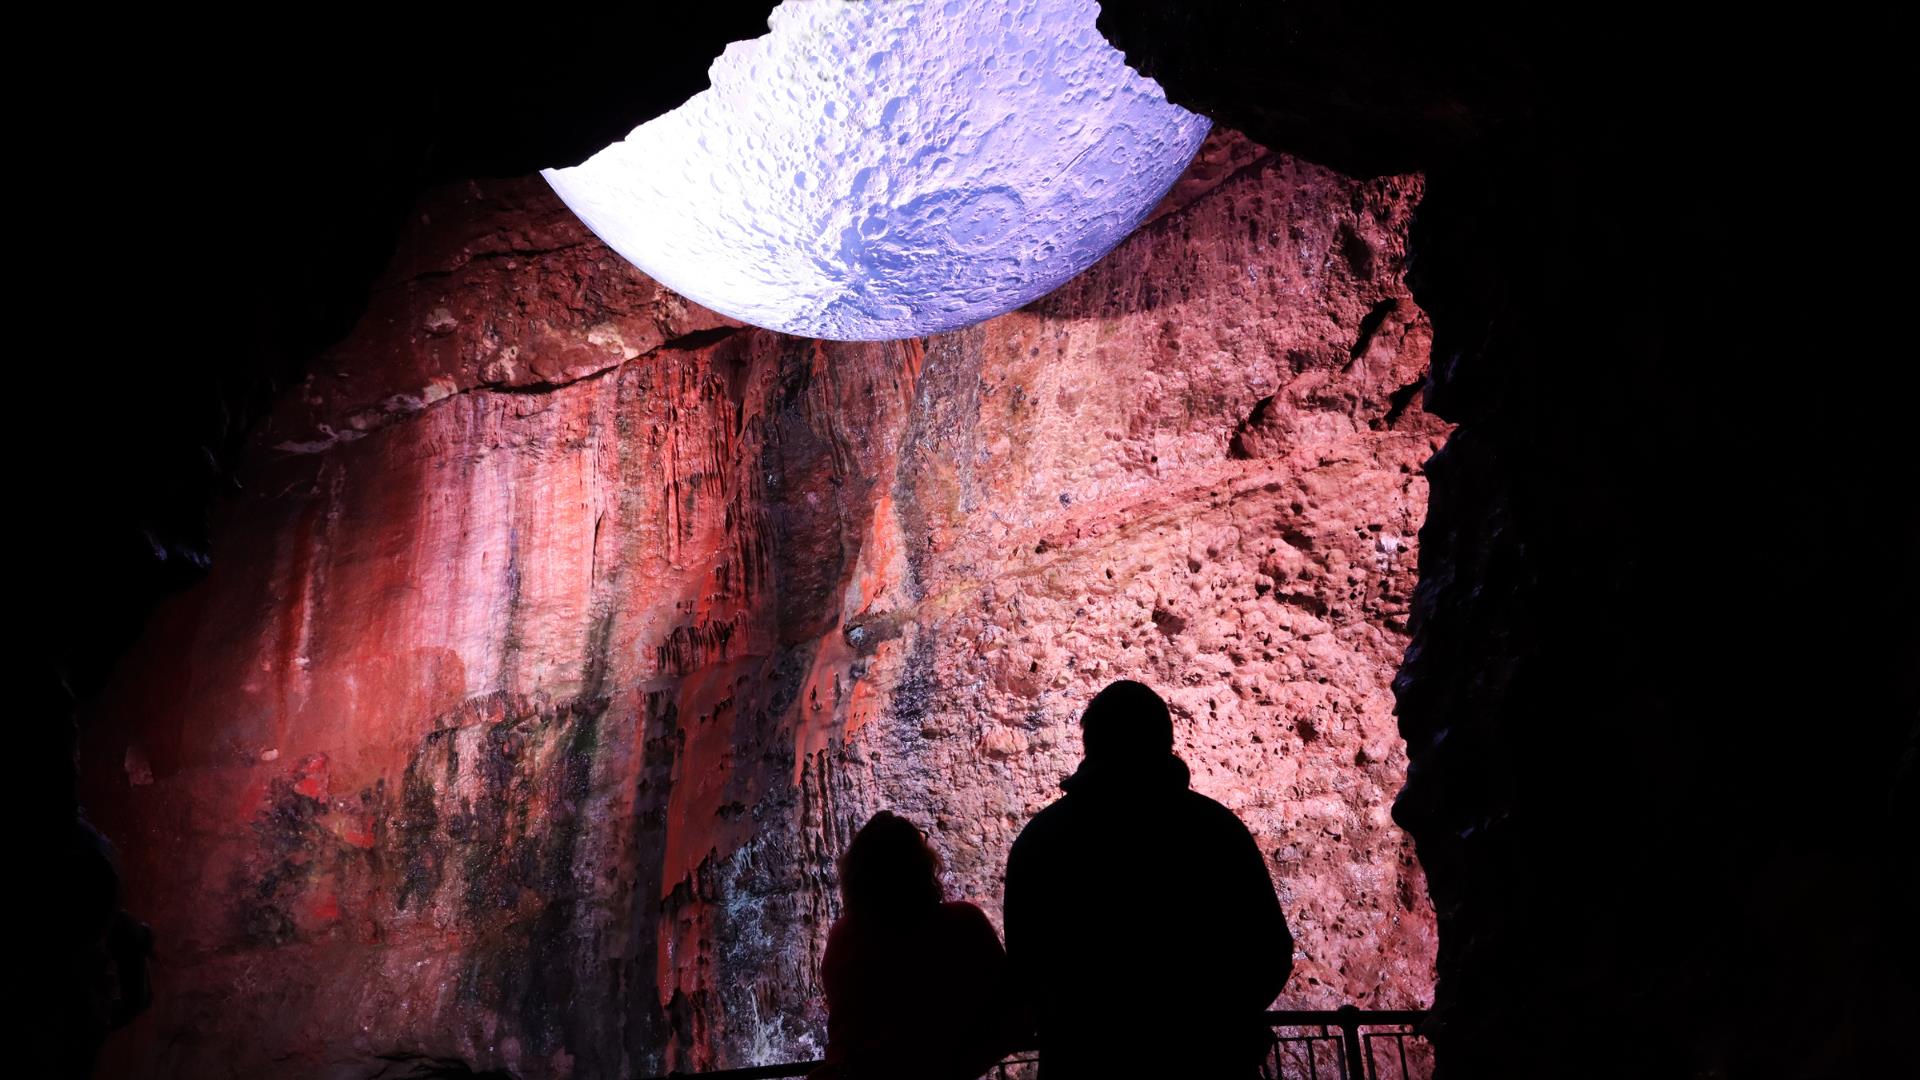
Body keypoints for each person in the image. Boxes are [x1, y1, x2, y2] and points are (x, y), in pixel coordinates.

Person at [1004, 680, 1294, 1079]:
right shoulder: (1214, 830)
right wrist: (1220, 1019)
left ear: (1090, 743)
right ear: (1165, 741)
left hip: (1084, 1058)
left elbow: (1026, 968)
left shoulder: (1041, 841)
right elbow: (1270, 950)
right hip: (1209, 1057)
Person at [812, 811, 1020, 1080]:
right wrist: (961, 1065)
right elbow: (1013, 1015)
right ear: (922, 864)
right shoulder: (962, 924)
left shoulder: (844, 936)